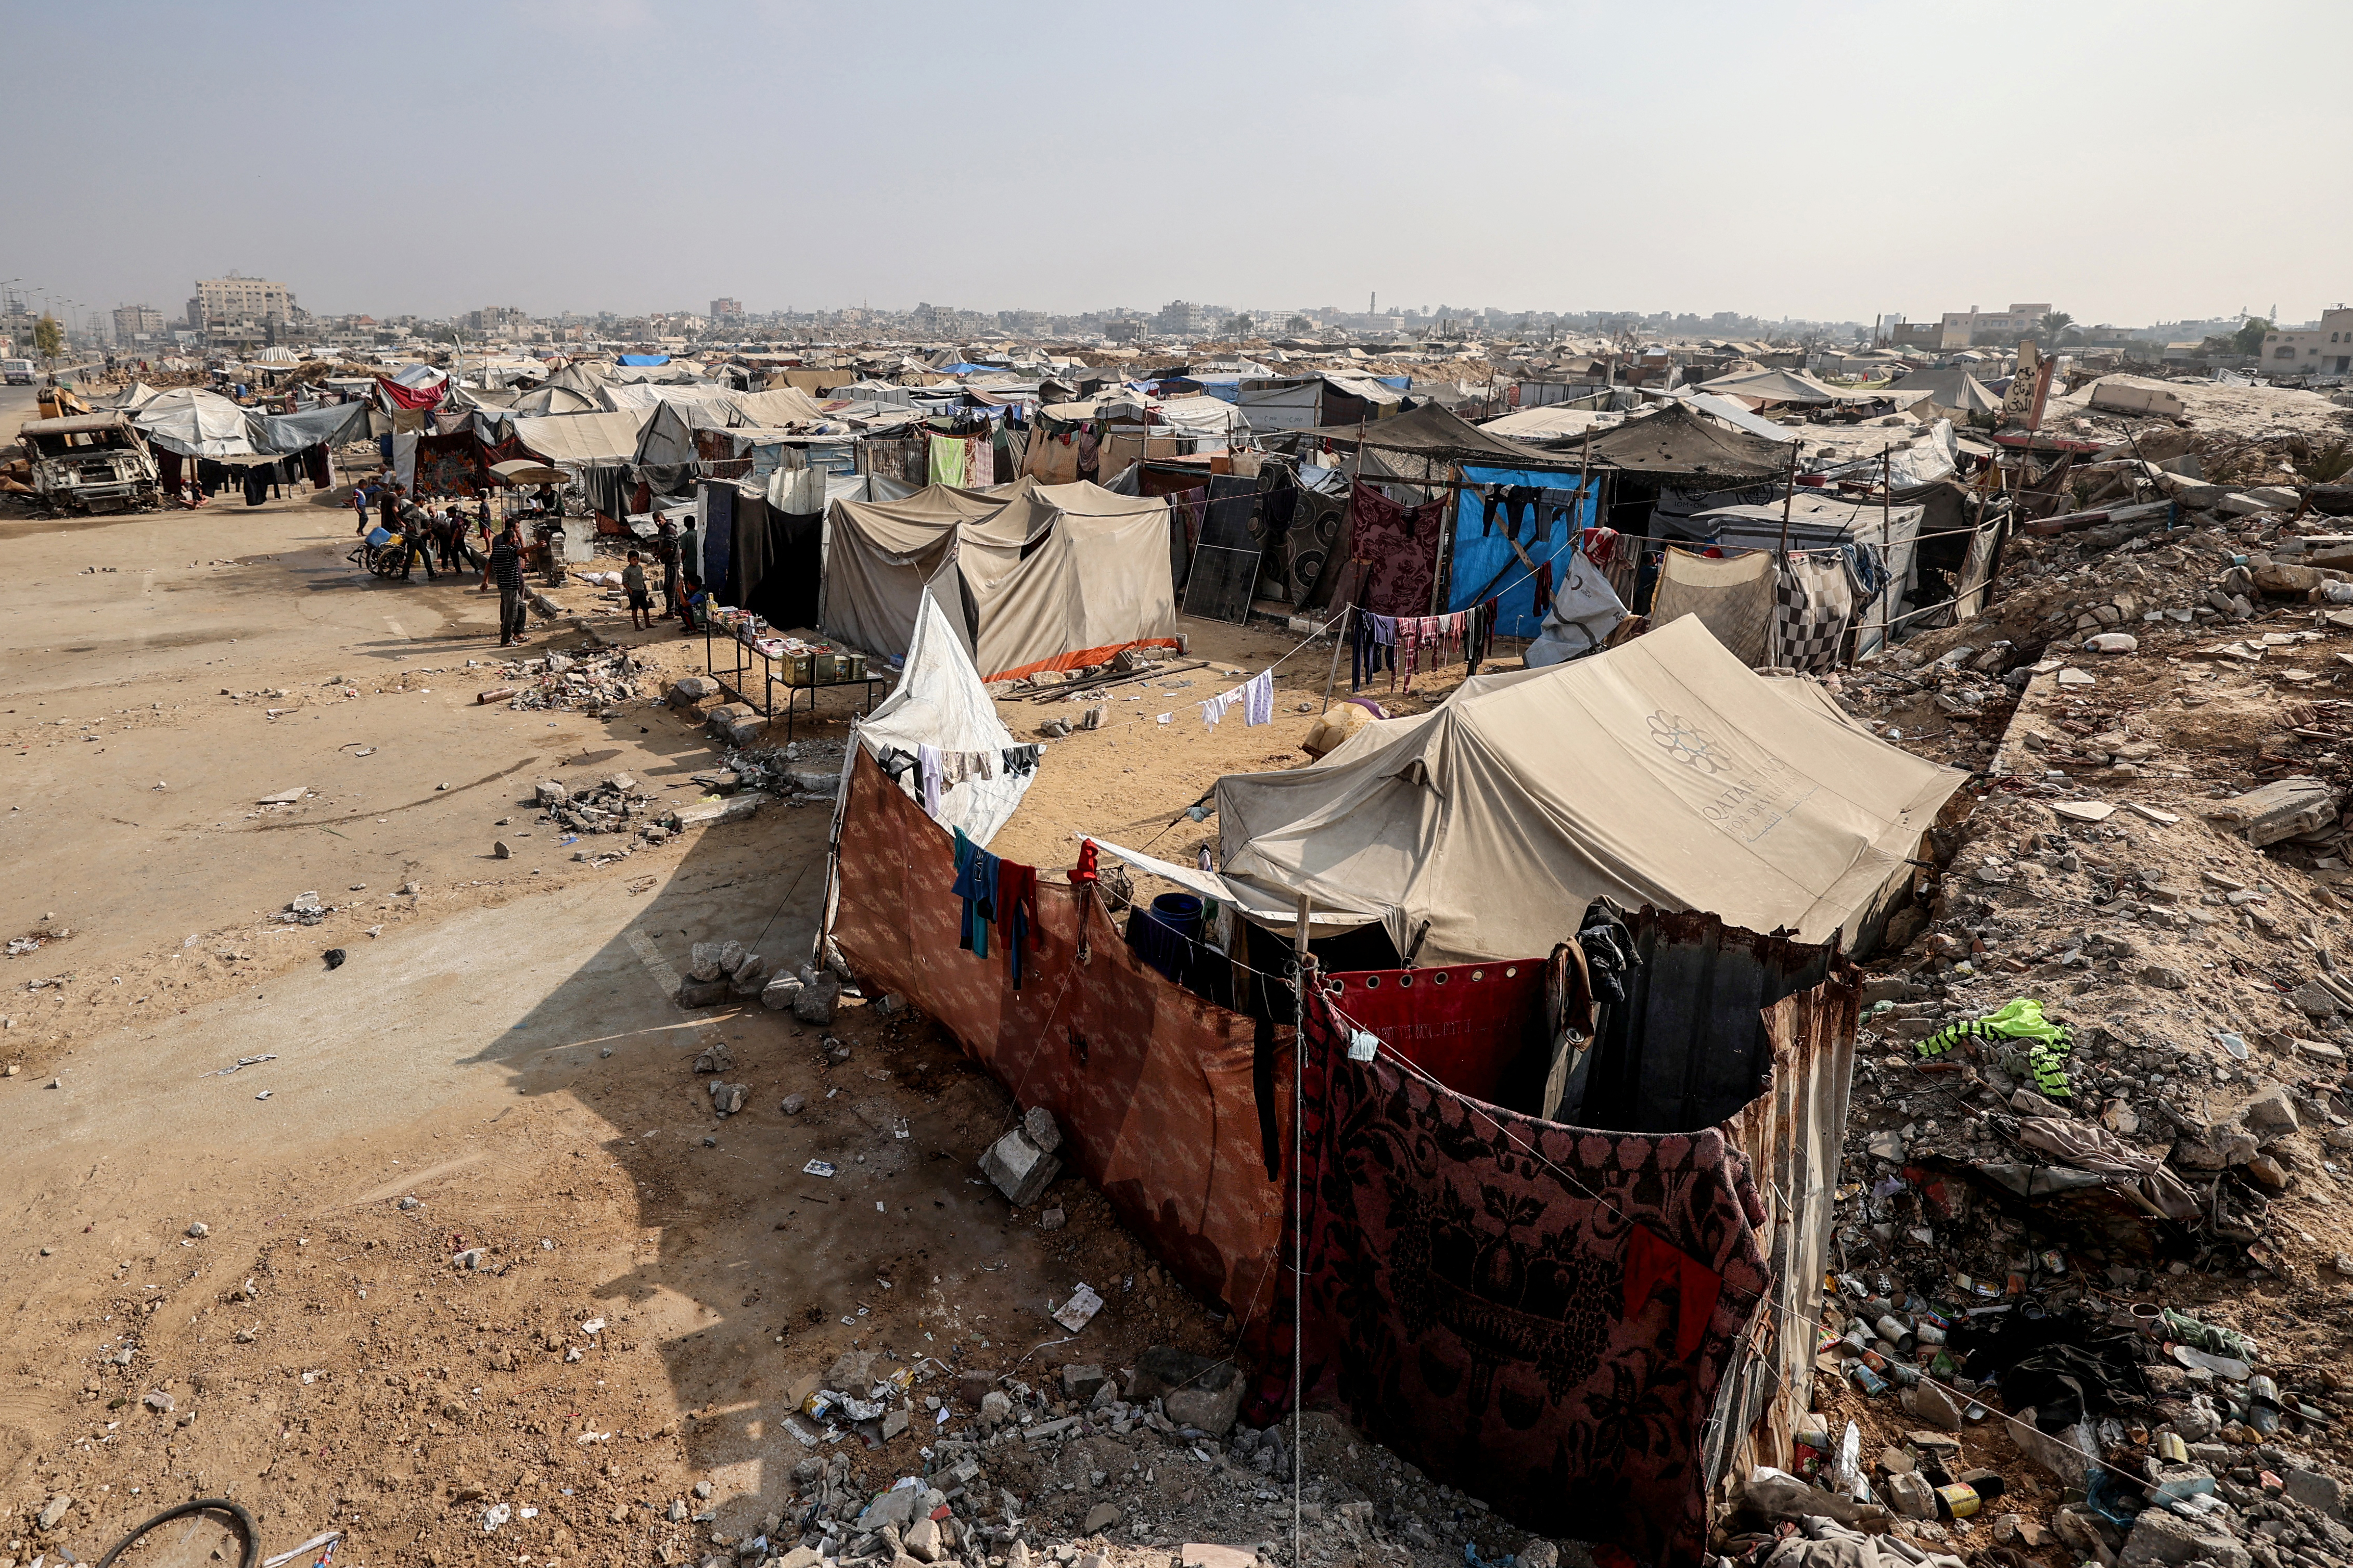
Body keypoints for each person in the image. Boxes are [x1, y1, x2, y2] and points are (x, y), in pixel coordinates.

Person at [490, 521, 528, 647]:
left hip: (503, 583)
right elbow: (525, 554)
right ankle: (506, 639)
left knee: (520, 606)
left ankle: (517, 632)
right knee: (512, 613)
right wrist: (533, 545)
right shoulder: (510, 549)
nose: (518, 533)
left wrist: (485, 581)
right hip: (511, 583)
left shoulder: (497, 543)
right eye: (517, 530)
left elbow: (489, 563)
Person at [622, 549, 653, 631]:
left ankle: (648, 624)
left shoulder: (639, 568)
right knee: (634, 609)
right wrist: (631, 592)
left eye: (637, 559)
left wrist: (645, 588)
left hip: (641, 591)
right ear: (629, 560)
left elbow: (641, 579)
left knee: (645, 608)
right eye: (634, 559)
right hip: (634, 592)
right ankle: (637, 626)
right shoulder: (627, 571)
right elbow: (625, 583)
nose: (636, 561)